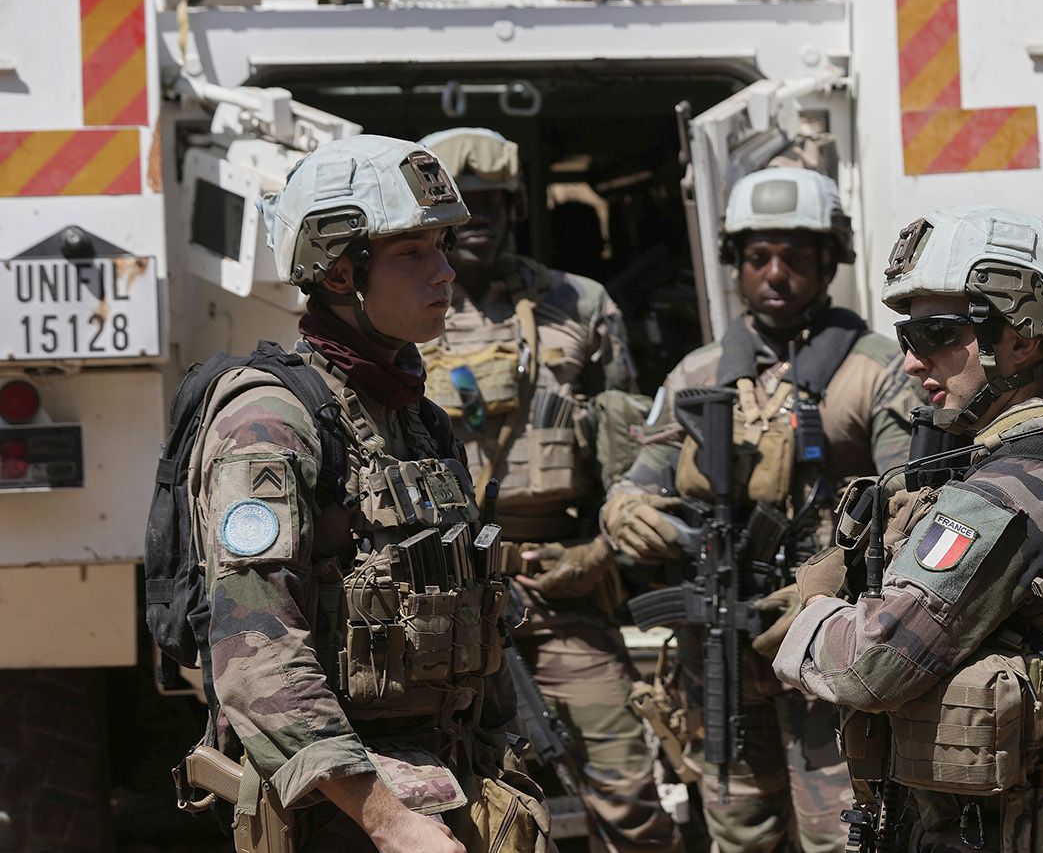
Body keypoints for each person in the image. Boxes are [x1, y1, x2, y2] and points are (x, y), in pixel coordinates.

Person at [188, 135, 543, 851]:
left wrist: (511, 768)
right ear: (342, 272)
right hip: (341, 811)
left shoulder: (417, 419)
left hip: (447, 781)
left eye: (442, 246)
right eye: (413, 252)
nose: (446, 271)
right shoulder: (270, 422)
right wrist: (387, 820)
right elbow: (256, 657)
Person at [773, 206, 1043, 852]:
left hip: (1028, 826)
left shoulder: (1019, 484)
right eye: (907, 338)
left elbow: (873, 663)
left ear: (1023, 338)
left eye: (938, 335)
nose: (914, 363)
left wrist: (813, 608)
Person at [601, 167, 917, 853]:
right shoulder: (699, 372)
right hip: (719, 644)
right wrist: (625, 509)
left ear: (828, 262)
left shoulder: (877, 368)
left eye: (796, 258)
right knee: (739, 829)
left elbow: (908, 500)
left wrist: (834, 575)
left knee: (842, 833)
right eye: (758, 258)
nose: (775, 274)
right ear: (736, 266)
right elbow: (640, 476)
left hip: (828, 644)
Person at [413, 128, 676, 850]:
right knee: (447, 809)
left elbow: (633, 455)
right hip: (439, 604)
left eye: (496, 203)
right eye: (464, 206)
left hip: (559, 590)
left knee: (629, 796)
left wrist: (602, 553)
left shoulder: (578, 305)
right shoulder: (398, 314)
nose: (480, 220)